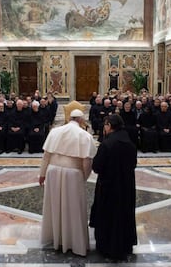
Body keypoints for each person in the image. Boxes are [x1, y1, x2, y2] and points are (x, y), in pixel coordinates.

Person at [39, 109, 97, 257]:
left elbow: (46, 156)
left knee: (55, 205)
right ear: (81, 121)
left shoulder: (54, 132)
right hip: (73, 173)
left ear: (69, 118)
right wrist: (84, 176)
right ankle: (74, 242)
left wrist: (42, 174)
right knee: (73, 208)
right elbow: (87, 161)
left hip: (52, 171)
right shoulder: (85, 135)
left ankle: (55, 239)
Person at [90, 114, 137, 260]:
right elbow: (133, 164)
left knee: (108, 215)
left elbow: (97, 166)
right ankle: (124, 245)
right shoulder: (129, 142)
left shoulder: (107, 143)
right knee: (123, 214)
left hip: (108, 187)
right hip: (126, 186)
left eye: (105, 125)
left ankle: (107, 247)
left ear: (109, 126)